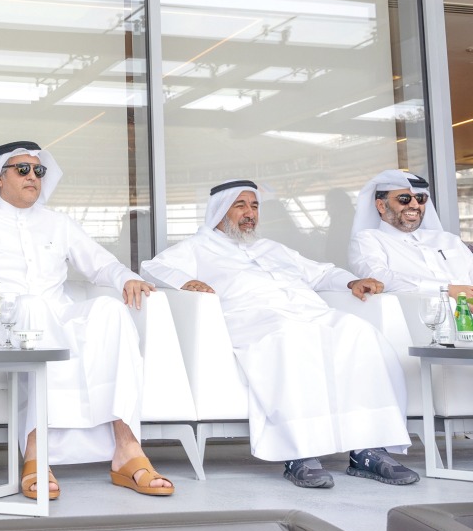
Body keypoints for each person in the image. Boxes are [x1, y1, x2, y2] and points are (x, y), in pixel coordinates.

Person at [0, 140, 173, 499]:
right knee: (33, 308)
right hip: (5, 321)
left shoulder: (58, 223)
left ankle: (127, 451)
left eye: (38, 170)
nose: (32, 176)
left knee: (111, 310)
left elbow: (101, 263)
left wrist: (125, 278)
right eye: (22, 169)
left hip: (57, 312)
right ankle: (36, 452)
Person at [141, 179, 418, 488]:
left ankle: (368, 451)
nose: (250, 213)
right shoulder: (196, 248)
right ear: (220, 211)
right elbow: (152, 268)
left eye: (255, 206)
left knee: (360, 334)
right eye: (241, 205)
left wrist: (351, 282)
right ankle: (299, 453)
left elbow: (322, 272)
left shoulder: (272, 248)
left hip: (310, 314)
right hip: (256, 321)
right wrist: (185, 282)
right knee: (290, 341)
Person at [349, 170, 473, 297]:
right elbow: (377, 279)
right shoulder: (369, 240)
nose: (415, 205)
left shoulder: (448, 239)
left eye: (420, 198)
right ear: (381, 206)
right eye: (404, 199)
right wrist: (447, 290)